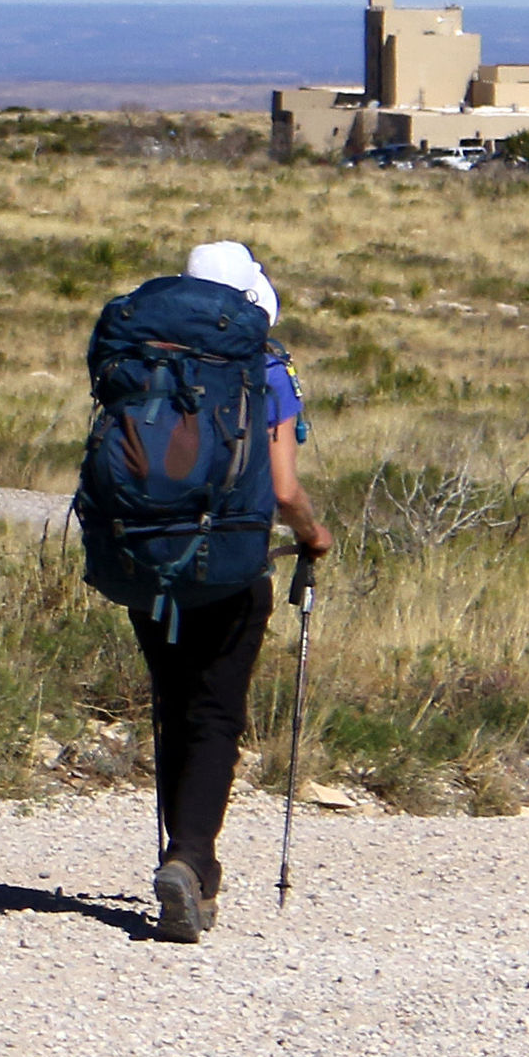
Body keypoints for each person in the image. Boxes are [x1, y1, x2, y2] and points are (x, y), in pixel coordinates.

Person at [133, 240, 331, 942]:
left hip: (150, 556)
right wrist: (313, 536)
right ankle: (190, 862)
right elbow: (283, 488)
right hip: (231, 559)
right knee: (215, 713)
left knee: (174, 702)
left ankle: (184, 861)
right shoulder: (267, 365)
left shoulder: (145, 352)